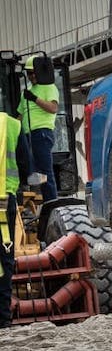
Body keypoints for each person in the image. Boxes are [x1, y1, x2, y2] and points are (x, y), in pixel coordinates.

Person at [16, 56, 59, 202]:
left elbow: (53, 108)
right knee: (32, 171)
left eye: (33, 72)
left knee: (45, 170)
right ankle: (38, 199)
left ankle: (51, 202)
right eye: (29, 73)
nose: (31, 76)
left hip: (42, 132)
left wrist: (34, 99)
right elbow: (20, 117)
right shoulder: (25, 93)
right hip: (28, 135)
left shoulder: (49, 87)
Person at [0, 112, 21, 328]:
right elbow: (24, 162)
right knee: (5, 260)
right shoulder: (12, 124)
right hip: (4, 202)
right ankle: (3, 319)